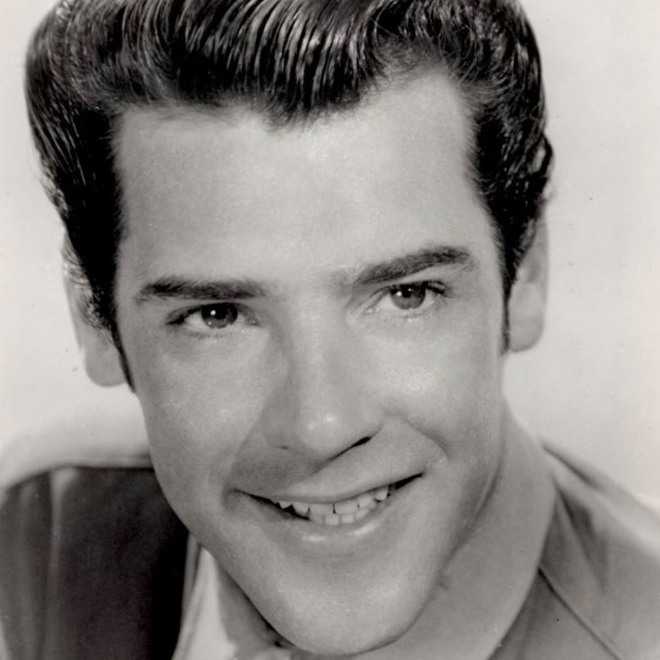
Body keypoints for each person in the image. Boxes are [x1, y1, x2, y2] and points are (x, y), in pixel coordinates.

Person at [1, 0, 659, 658]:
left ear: (526, 274)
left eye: (406, 295)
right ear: (95, 318)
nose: (322, 427)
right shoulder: (40, 535)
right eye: (217, 315)